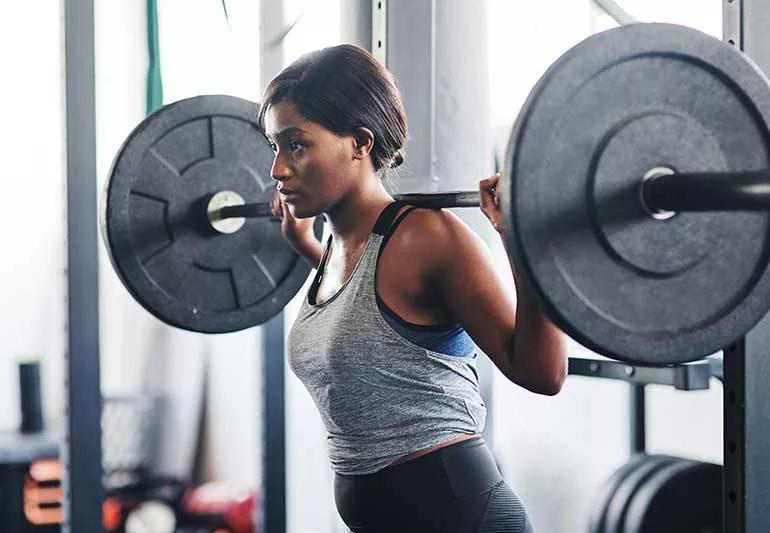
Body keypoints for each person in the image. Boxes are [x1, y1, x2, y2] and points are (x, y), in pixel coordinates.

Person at [261, 43, 565, 533]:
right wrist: (306, 248)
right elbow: (370, 325)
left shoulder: (427, 237)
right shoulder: (338, 248)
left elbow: (543, 373)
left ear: (359, 142)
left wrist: (525, 242)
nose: (278, 169)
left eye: (296, 145)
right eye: (274, 147)